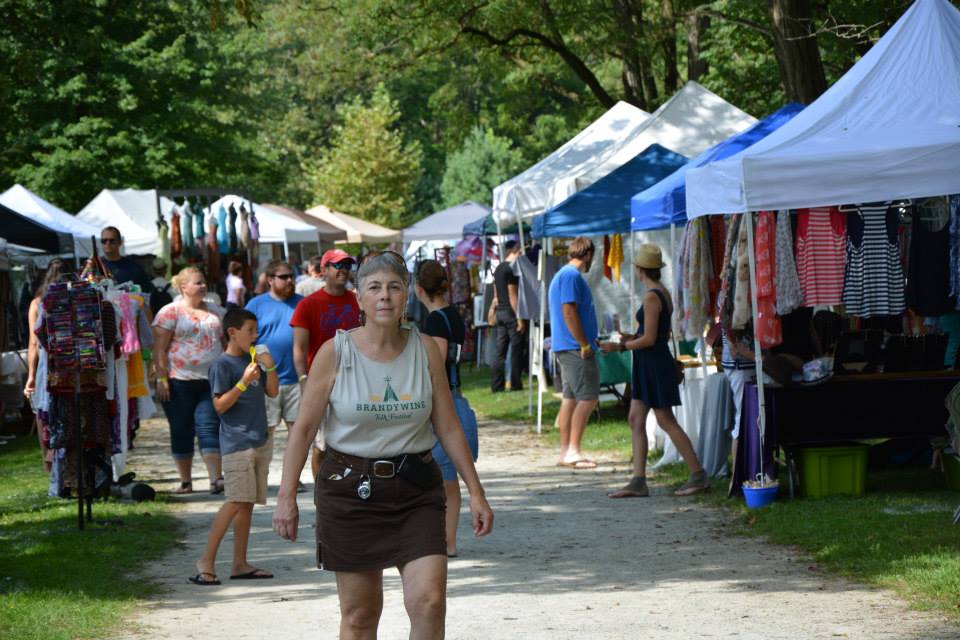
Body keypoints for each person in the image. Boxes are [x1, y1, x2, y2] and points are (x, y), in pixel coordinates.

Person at [272, 252, 494, 638]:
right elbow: (304, 429)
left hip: (416, 489)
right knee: (360, 615)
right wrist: (286, 496)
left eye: (394, 287)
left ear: (407, 295)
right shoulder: (334, 353)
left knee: (429, 601)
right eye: (374, 288)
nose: (385, 297)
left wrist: (476, 492)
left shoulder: (424, 350)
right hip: (350, 490)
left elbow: (447, 424)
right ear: (359, 298)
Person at [601, 244, 708, 497]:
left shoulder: (651, 296)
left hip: (653, 361)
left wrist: (620, 346)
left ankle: (698, 474)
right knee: (636, 418)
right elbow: (656, 334)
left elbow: (650, 339)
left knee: (665, 419)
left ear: (639, 269)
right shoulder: (661, 292)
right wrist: (632, 337)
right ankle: (638, 480)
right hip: (650, 361)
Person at [190, 308, 279, 585]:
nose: (255, 336)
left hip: (259, 439)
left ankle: (240, 563)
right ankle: (206, 560)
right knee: (235, 501)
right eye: (250, 331)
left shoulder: (253, 360)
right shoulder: (223, 365)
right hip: (237, 442)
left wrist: (270, 366)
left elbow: (273, 392)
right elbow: (219, 405)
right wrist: (243, 382)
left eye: (256, 331)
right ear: (233, 332)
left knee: (247, 504)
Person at [415, 259, 480, 558]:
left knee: (444, 475)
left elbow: (436, 361)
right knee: (447, 473)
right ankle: (446, 540)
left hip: (444, 399)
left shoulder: (435, 320)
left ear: (418, 288)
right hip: (458, 395)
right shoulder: (452, 314)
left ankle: (445, 540)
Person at [153, 266, 226, 494]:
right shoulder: (170, 312)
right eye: (197, 282)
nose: (203, 286)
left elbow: (224, 344)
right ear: (183, 287)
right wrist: (162, 378)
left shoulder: (216, 311)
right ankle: (186, 482)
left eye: (204, 282)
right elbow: (159, 348)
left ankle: (216, 479)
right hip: (178, 381)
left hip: (210, 380)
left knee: (208, 426)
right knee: (181, 428)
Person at [290, 248, 360, 479]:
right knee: (321, 443)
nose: (343, 270)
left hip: (355, 379)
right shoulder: (308, 304)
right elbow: (299, 347)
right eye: (337, 265)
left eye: (347, 266)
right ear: (324, 270)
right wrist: (303, 378)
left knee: (355, 439)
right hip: (320, 381)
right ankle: (322, 493)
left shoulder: (358, 300)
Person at [245, 260, 308, 493]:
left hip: (296, 378)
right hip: (266, 379)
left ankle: (293, 479)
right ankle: (259, 477)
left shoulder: (302, 303)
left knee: (297, 431)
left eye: (291, 276)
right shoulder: (256, 305)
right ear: (270, 279)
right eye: (283, 276)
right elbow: (245, 339)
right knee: (265, 432)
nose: (290, 280)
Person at [548, 236, 599, 469]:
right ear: (588, 254)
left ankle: (566, 451)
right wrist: (584, 343)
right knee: (587, 398)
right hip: (574, 347)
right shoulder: (571, 276)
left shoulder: (563, 275)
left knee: (569, 399)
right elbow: (569, 311)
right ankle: (573, 450)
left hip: (566, 346)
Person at [24, 259, 66, 474]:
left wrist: (30, 375)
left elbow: (33, 341)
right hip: (71, 362)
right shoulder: (72, 299)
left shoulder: (37, 303)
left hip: (47, 365)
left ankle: (49, 464)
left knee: (45, 410)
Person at [491, 240, 525, 392]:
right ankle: (515, 384)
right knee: (516, 350)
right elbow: (513, 296)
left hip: (500, 313)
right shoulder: (511, 270)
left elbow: (496, 294)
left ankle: (496, 385)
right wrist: (519, 318)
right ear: (516, 251)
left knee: (500, 351)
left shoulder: (498, 269)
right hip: (510, 313)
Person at [99, 226, 154, 292]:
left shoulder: (134, 267)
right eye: (104, 241)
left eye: (112, 241)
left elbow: (148, 291)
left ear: (120, 242)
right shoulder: (95, 266)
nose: (108, 243)